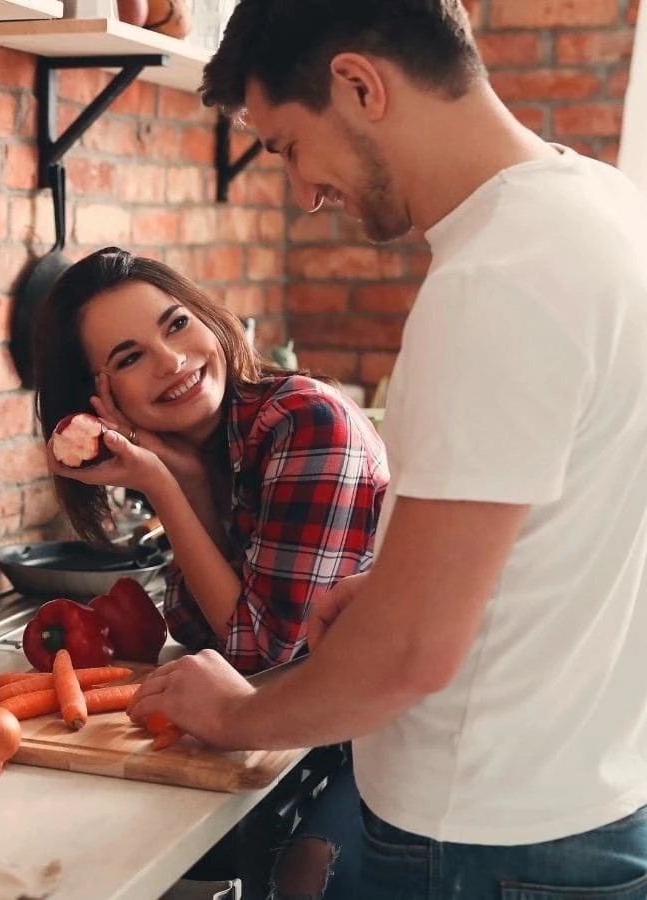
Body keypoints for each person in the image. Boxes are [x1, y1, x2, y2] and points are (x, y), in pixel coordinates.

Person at [127, 1, 647, 897]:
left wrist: (239, 713)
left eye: (291, 147)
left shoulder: (498, 280)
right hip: (585, 803)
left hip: (481, 841)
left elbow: (412, 655)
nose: (304, 190)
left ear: (360, 86)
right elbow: (579, 513)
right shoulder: (603, 205)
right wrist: (399, 582)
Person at [33, 246, 388, 898]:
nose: (172, 361)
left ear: (206, 317)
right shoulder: (215, 448)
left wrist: (163, 486)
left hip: (406, 745)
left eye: (176, 324)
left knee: (306, 874)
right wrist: (192, 481)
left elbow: (260, 652)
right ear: (99, 399)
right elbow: (202, 629)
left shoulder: (307, 422)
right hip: (326, 732)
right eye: (129, 358)